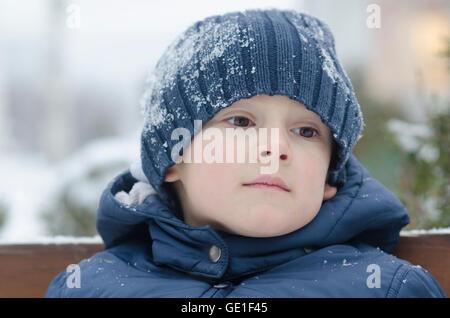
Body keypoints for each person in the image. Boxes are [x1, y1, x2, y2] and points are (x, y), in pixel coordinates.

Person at [45, 8, 445, 297]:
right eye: (240, 122)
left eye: (306, 131)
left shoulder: (385, 289)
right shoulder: (89, 289)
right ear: (171, 159)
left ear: (328, 178)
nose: (275, 148)